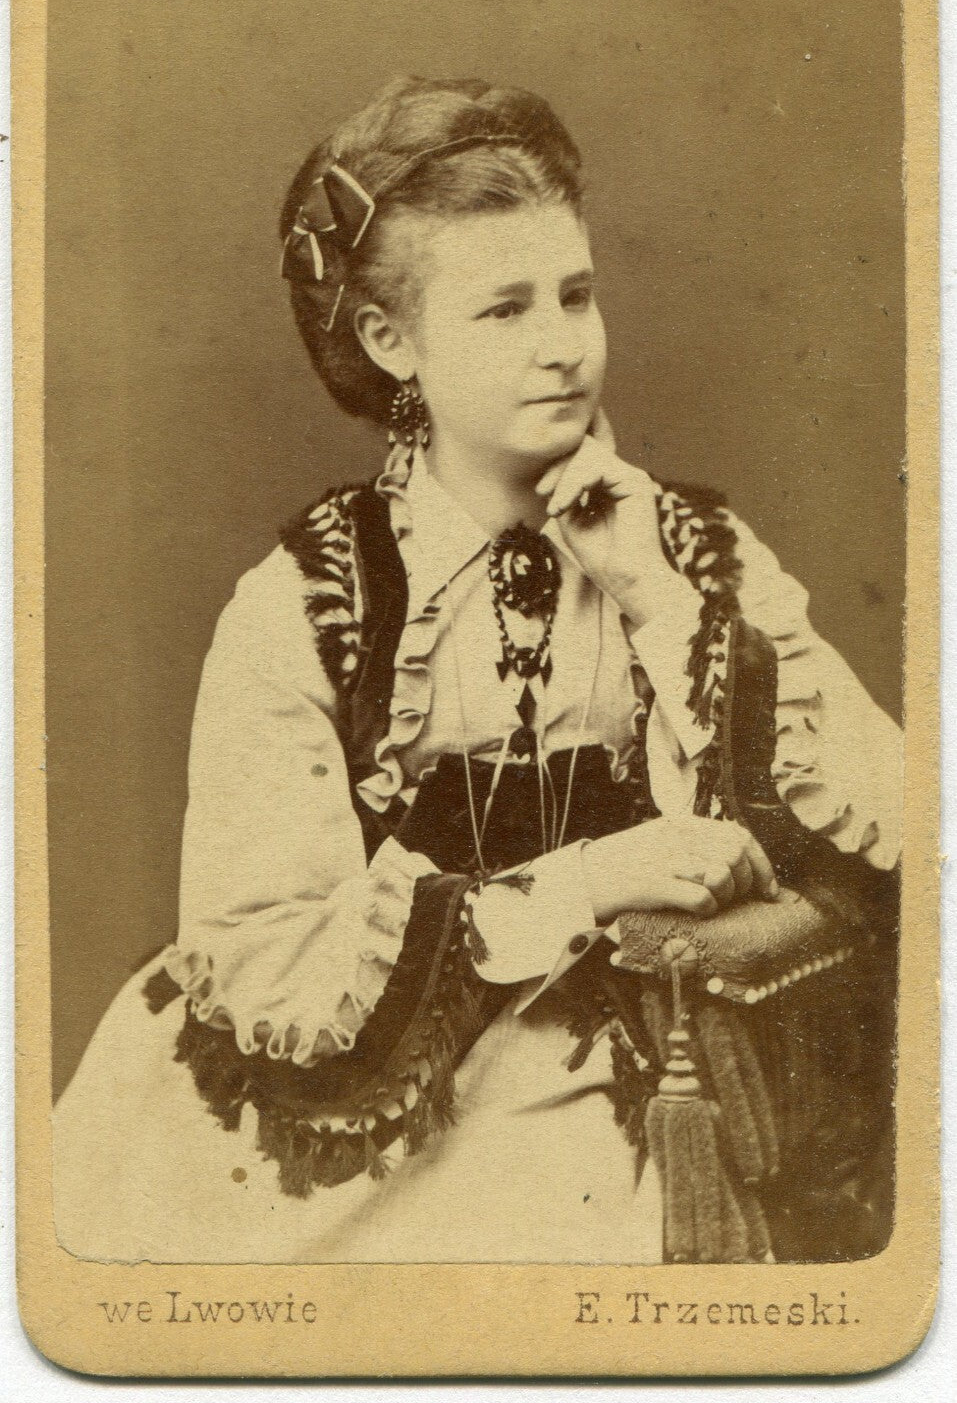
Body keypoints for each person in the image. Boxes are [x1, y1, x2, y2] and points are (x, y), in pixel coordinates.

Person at [53, 76, 902, 1265]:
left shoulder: (697, 550)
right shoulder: (311, 602)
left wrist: (657, 595)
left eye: (577, 295)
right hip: (388, 1106)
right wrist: (594, 876)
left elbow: (899, 818)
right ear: (389, 341)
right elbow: (267, 955)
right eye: (504, 311)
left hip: (661, 1073)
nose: (563, 347)